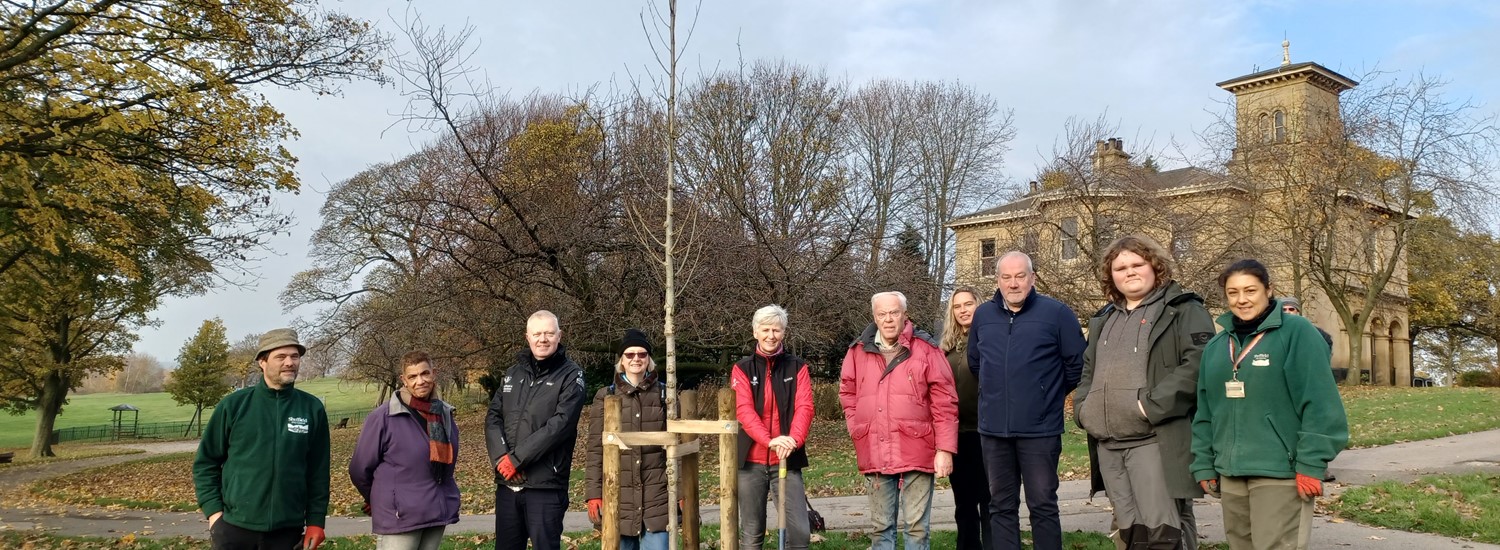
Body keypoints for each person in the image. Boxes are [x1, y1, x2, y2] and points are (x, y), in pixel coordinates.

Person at [1192, 259, 1349, 550]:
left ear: (1268, 290)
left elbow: (1320, 402)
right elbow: (1205, 411)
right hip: (1231, 473)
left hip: (1280, 471)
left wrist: (1311, 463)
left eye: (1250, 290)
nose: (1241, 300)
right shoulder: (1216, 346)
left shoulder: (1297, 332)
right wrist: (1204, 464)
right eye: (1233, 292)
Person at [1074, 236, 1214, 549]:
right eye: (1121, 267)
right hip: (1109, 443)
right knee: (1130, 533)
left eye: (1137, 264)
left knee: (1163, 532)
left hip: (1154, 439)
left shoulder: (1182, 309)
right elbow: (1087, 369)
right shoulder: (1103, 319)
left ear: (1155, 266)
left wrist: (1149, 407)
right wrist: (1084, 409)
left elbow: (1198, 363)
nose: (1130, 272)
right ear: (1111, 275)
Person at [968, 251, 1085, 550]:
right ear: (998, 280)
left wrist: (1046, 393)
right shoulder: (983, 315)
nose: (1013, 283)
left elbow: (1076, 365)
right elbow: (976, 362)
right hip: (994, 431)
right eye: (1006, 277)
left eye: (1020, 276)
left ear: (1032, 278)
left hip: (1040, 430)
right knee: (1000, 506)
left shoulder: (1057, 313)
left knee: (1043, 504)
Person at [840, 291, 959, 550]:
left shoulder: (926, 349)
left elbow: (945, 401)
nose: (889, 319)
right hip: (875, 448)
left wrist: (945, 449)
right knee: (881, 528)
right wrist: (856, 425)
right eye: (882, 314)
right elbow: (847, 392)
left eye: (894, 312)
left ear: (905, 314)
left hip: (918, 448)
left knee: (917, 528)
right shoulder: (857, 351)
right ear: (874, 317)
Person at [193, 328, 330, 550]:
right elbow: (206, 463)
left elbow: (318, 471)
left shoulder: (311, 408)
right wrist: (214, 514)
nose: (289, 362)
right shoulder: (234, 405)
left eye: (295, 356)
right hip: (234, 527)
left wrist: (316, 521)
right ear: (262, 362)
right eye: (281, 357)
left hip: (288, 530)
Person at [485, 310, 587, 550]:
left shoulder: (572, 375)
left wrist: (517, 460)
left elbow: (560, 425)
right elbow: (493, 417)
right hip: (507, 485)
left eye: (549, 333)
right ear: (527, 337)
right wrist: (502, 458)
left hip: (545, 485)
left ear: (559, 336)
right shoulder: (512, 374)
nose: (543, 339)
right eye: (537, 334)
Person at [349, 351, 460, 550]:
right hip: (400, 517)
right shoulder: (383, 417)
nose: (420, 381)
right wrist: (378, 498)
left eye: (425, 373)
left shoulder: (444, 413)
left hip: (436, 511)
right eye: (413, 376)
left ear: (434, 373)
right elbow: (359, 469)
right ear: (404, 380)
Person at [731, 305, 814, 550]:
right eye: (765, 329)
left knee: (799, 533)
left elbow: (805, 407)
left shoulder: (797, 366)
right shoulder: (742, 368)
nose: (771, 335)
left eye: (776, 330)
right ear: (755, 332)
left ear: (783, 333)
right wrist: (769, 440)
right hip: (751, 461)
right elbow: (744, 411)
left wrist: (792, 440)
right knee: (752, 534)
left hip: (787, 457)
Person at [585, 329, 672, 550]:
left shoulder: (666, 395)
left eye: (642, 354)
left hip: (656, 496)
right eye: (630, 354)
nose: (636, 359)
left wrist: (680, 493)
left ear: (649, 359)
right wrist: (594, 494)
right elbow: (595, 449)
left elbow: (676, 446)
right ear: (621, 360)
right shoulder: (605, 396)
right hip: (618, 495)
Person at [940, 286, 992, 550]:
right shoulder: (946, 348)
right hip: (957, 434)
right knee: (964, 500)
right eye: (957, 306)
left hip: (988, 431)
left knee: (990, 498)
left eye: (968, 304)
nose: (963, 310)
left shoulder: (989, 338)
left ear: (979, 305)